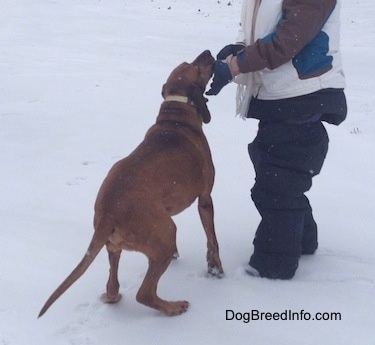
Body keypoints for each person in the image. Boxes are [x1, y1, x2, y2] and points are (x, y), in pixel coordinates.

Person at [206, 0, 347, 279]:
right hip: (282, 93)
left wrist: (237, 65)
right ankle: (302, 240)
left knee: (277, 184)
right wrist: (240, 50)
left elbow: (289, 38)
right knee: (279, 174)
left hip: (304, 93)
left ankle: (273, 267)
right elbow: (261, 27)